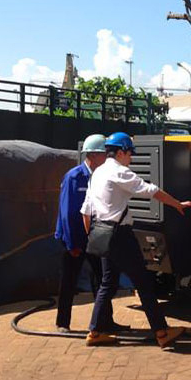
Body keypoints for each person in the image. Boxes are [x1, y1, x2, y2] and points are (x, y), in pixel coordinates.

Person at [81, 132, 191, 348]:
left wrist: (91, 234)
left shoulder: (98, 172)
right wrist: (177, 204)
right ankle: (162, 332)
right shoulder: (119, 172)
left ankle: (95, 332)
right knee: (144, 282)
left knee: (107, 283)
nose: (131, 158)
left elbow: (86, 209)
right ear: (121, 152)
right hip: (120, 236)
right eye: (130, 153)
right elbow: (150, 191)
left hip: (102, 233)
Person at [54, 134, 126, 333]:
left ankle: (105, 321)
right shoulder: (74, 177)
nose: (108, 157)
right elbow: (67, 213)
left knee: (102, 279)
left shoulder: (101, 176)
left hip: (93, 237)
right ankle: (62, 323)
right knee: (69, 280)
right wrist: (72, 244)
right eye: (105, 154)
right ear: (93, 156)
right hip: (74, 238)